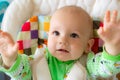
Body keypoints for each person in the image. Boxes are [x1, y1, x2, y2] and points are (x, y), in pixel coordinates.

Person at [0, 6, 120, 80]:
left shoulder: (89, 65)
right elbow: (19, 73)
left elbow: (107, 68)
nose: (62, 40)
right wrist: (10, 59)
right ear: (48, 38)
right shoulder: (36, 60)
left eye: (74, 35)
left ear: (88, 45)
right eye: (56, 33)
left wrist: (113, 46)